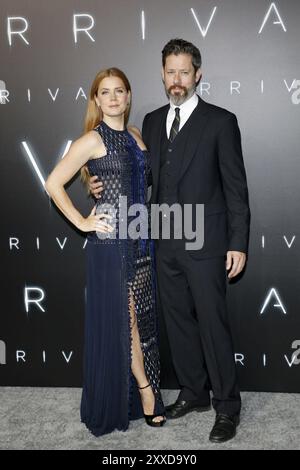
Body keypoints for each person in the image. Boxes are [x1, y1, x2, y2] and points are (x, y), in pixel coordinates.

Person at [90, 39, 250, 443]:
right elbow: (139, 177)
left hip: (207, 241)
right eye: (170, 72)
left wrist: (238, 242)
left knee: (212, 324)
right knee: (177, 322)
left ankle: (227, 406)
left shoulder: (221, 121)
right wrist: (99, 185)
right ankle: (194, 392)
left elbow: (236, 189)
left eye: (184, 72)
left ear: (197, 74)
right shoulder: (152, 119)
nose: (176, 80)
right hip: (163, 240)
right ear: (162, 75)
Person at [45, 67, 166, 437]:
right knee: (126, 320)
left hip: (141, 240)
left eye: (119, 91)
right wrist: (83, 222)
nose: (113, 97)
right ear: (96, 100)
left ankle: (129, 393)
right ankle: (146, 392)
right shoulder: (92, 140)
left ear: (128, 97)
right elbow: (53, 182)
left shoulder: (134, 134)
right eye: (105, 92)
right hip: (111, 245)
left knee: (137, 321)